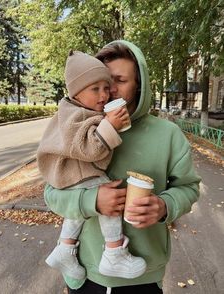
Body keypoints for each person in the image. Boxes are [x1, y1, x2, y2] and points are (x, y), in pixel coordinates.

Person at [44, 41, 201, 294]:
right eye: (104, 82)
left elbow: (189, 187)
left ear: (139, 84)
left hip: (143, 277)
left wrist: (165, 206)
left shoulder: (168, 134)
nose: (109, 91)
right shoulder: (78, 132)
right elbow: (51, 194)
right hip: (84, 274)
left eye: (120, 80)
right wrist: (91, 201)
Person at [37, 50, 147, 282]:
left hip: (71, 175)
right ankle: (114, 251)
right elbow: (89, 149)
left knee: (84, 206)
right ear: (76, 92)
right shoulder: (73, 114)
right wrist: (110, 126)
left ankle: (65, 249)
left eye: (106, 87)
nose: (106, 94)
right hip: (69, 172)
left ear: (140, 84)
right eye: (95, 89)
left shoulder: (80, 109)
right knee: (108, 194)